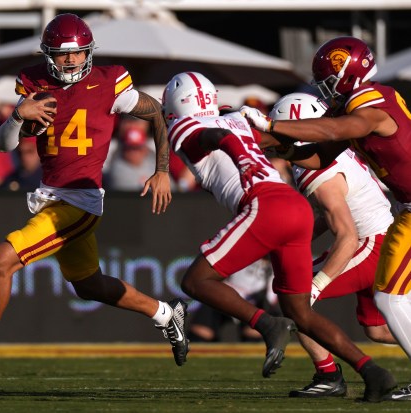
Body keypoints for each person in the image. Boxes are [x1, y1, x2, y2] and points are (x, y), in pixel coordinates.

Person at [0, 13, 185, 377]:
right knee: (88, 284)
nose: (70, 61)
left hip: (80, 199)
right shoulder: (34, 84)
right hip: (52, 195)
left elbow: (157, 111)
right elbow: (4, 146)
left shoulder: (109, 83)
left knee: (2, 260)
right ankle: (165, 313)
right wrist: (18, 115)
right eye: (63, 55)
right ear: (48, 54)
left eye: (78, 53)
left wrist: (161, 170)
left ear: (88, 52)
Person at [163, 71, 396, 402]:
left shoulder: (188, 127)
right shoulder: (241, 123)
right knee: (299, 310)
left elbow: (216, 135)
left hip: (267, 205)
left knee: (196, 281)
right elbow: (237, 127)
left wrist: (240, 156)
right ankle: (372, 373)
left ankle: (266, 325)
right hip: (294, 209)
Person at [241, 36, 411, 401]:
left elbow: (332, 132)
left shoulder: (370, 104)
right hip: (402, 216)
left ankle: (330, 374)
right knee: (385, 320)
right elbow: (318, 155)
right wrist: (264, 140)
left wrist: (271, 125)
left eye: (328, 82)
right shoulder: (359, 107)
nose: (324, 92)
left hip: (385, 229)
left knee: (375, 302)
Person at [267, 92, 397, 398]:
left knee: (295, 301)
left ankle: (328, 375)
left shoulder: (319, 171)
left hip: (370, 243)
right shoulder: (329, 152)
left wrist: (316, 285)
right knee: (377, 330)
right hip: (381, 238)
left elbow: (348, 235)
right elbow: (332, 215)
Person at [105, 125, 157, 191]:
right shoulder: (117, 169)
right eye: (130, 148)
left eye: (137, 148)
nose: (134, 152)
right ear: (123, 149)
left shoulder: (153, 164)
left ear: (145, 149)